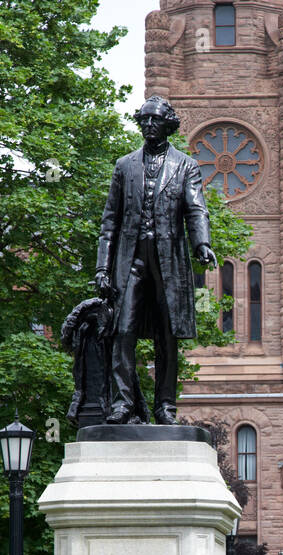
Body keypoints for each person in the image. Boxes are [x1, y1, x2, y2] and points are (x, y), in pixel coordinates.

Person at [96, 95, 216, 425]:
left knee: (167, 334)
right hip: (130, 259)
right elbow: (110, 221)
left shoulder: (185, 166)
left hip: (168, 261)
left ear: (168, 125)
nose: (148, 125)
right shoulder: (124, 166)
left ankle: (165, 405)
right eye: (144, 120)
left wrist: (202, 244)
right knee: (123, 330)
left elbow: (196, 209)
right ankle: (123, 403)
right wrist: (102, 268)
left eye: (155, 120)